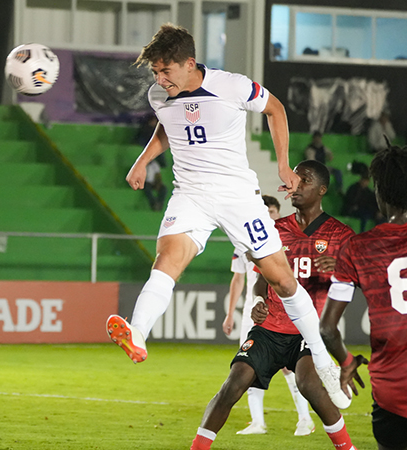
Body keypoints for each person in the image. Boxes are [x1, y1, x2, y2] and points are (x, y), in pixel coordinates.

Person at [105, 23, 350, 416]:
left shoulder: (232, 86)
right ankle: (138, 334)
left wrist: (284, 165)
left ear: (189, 63)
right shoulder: (159, 94)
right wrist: (142, 161)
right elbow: (169, 127)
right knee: (166, 261)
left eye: (165, 71)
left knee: (283, 281)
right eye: (155, 72)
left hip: (238, 197)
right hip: (190, 195)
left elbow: (276, 109)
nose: (159, 79)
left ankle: (322, 361)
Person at [191, 160, 357, 450]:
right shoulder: (274, 229)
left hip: (308, 331)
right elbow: (261, 279)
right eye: (294, 179)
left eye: (304, 180)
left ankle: (348, 447)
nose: (295, 185)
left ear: (322, 190)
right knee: (234, 383)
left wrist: (342, 269)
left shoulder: (341, 235)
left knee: (308, 386)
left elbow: (360, 277)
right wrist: (257, 300)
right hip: (269, 328)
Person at [320, 145, 407, 450]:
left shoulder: (357, 249)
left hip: (394, 390)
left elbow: (326, 329)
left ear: (380, 192)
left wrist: (347, 361)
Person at [222, 195, 317, 436]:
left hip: (284, 309)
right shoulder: (244, 240)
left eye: (272, 211)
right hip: (254, 309)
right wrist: (230, 313)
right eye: (264, 210)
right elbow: (239, 278)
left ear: (278, 212)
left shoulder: (287, 238)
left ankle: (305, 419)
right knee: (248, 364)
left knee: (290, 367)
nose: (269, 215)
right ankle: (257, 422)